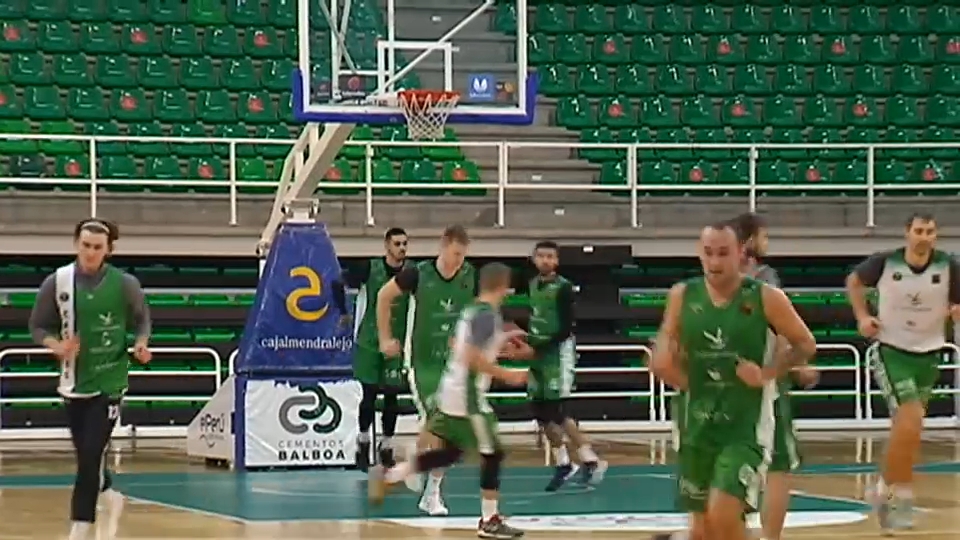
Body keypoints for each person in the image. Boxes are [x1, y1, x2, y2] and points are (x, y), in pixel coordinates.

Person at [648, 222, 817, 540]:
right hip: (695, 423)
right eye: (708, 253)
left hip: (745, 426)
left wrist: (767, 374)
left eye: (723, 253)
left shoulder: (766, 297)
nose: (714, 262)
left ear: (741, 253)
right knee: (702, 530)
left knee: (723, 511)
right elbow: (665, 346)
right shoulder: (682, 295)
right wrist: (664, 363)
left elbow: (806, 344)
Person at [368, 262, 531, 539]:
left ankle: (391, 475)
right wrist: (508, 375)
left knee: (451, 452)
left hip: (450, 389)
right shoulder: (486, 316)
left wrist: (502, 346)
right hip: (467, 396)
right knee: (493, 453)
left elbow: (457, 345)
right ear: (503, 286)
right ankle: (489, 520)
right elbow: (470, 355)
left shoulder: (472, 311)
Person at [27, 219, 152, 540]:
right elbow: (38, 326)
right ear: (76, 245)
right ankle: (107, 487)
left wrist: (141, 344)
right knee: (86, 452)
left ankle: (79, 527)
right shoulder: (58, 283)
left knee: (90, 454)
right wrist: (56, 346)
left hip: (110, 379)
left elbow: (142, 321)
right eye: (86, 245)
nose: (91, 252)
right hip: (73, 381)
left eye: (98, 247)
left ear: (108, 250)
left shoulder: (126, 284)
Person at [846, 212, 960, 534]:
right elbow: (854, 281)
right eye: (919, 230)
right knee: (911, 420)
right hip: (892, 350)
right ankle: (904, 497)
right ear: (907, 233)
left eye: (931, 231)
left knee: (908, 431)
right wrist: (862, 316)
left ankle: (882, 487)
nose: (925, 236)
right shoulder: (884, 263)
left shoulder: (949, 266)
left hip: (930, 352)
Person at [376, 224, 476, 516]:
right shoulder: (417, 273)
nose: (458, 261)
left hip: (455, 364)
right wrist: (384, 337)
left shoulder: (470, 276)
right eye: (455, 254)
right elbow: (383, 297)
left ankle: (419, 466)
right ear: (443, 246)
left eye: (463, 256)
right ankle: (431, 493)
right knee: (441, 422)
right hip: (423, 363)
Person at [730, 212, 818, 540]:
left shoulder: (713, 281)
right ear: (750, 240)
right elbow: (782, 331)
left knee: (730, 466)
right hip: (764, 382)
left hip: (727, 383)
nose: (768, 243)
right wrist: (793, 366)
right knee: (779, 468)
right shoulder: (766, 279)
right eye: (765, 236)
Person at [515, 240, 606, 491]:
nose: (545, 260)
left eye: (550, 256)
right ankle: (563, 463)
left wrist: (538, 346)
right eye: (541, 256)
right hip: (537, 353)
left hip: (557, 353)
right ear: (534, 259)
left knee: (559, 412)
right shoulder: (531, 285)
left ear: (556, 261)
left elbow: (566, 328)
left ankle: (590, 459)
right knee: (540, 413)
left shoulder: (564, 288)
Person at [333, 227, 409, 471]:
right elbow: (337, 282)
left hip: (396, 342)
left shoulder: (412, 272)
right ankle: (363, 443)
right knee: (368, 395)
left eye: (405, 244)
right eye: (397, 244)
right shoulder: (369, 268)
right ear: (387, 246)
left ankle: (386, 446)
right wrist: (344, 312)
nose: (402, 248)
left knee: (392, 397)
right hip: (369, 341)